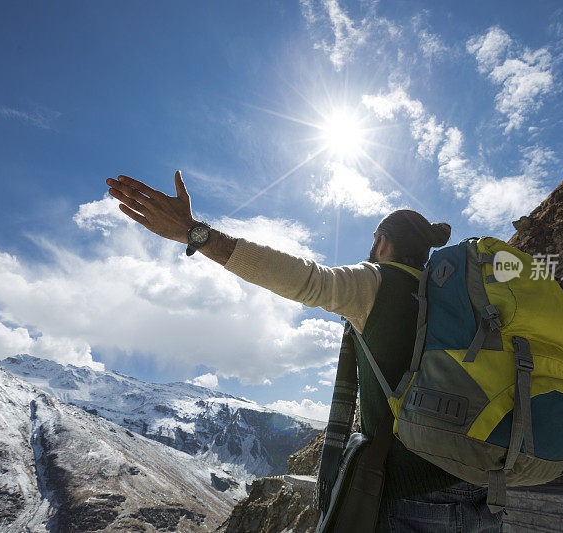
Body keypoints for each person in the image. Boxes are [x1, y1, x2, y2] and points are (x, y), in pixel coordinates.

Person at [105, 171, 504, 532]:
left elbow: (303, 279)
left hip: (414, 494)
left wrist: (195, 232)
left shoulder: (380, 283)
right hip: (480, 485)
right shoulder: (457, 303)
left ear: (382, 242)